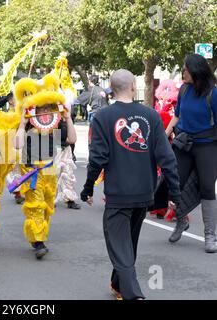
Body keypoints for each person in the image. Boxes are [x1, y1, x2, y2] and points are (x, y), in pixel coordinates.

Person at [80, 69, 180, 300]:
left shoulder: (102, 118)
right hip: (144, 193)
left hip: (118, 194)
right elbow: (167, 157)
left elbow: (97, 159)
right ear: (133, 86)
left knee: (120, 245)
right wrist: (175, 191)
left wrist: (87, 188)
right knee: (127, 244)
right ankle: (118, 285)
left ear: (111, 90)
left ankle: (133, 294)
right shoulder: (151, 115)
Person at [12, 75, 77, 259]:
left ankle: (38, 236)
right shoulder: (28, 125)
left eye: (49, 107)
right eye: (42, 108)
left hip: (50, 169)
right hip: (31, 169)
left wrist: (68, 118)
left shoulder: (55, 125)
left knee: (48, 205)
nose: (45, 111)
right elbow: (17, 144)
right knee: (35, 205)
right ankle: (39, 242)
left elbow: (71, 140)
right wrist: (23, 123)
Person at [165, 54, 217, 252]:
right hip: (184, 143)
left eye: (185, 69)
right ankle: (181, 221)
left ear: (196, 71)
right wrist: (165, 135)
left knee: (207, 188)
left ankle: (210, 236)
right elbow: (177, 115)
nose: (182, 72)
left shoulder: (213, 93)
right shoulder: (184, 90)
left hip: (207, 145)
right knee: (173, 183)